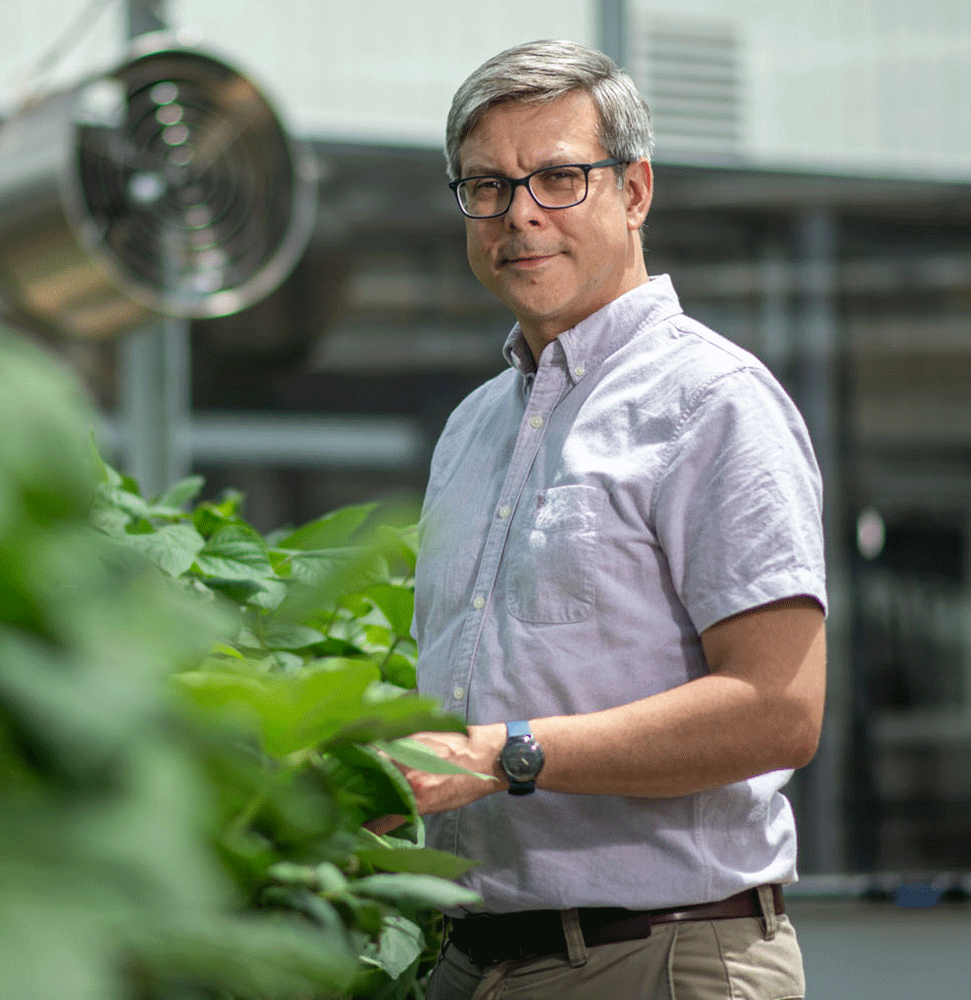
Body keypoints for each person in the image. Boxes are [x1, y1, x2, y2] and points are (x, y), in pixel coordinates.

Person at [382, 39, 828, 1000]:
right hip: (476, 959)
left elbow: (780, 710)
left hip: (664, 957)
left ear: (635, 192)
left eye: (557, 177)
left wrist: (506, 755)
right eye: (487, 187)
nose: (520, 215)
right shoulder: (472, 428)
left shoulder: (712, 400)